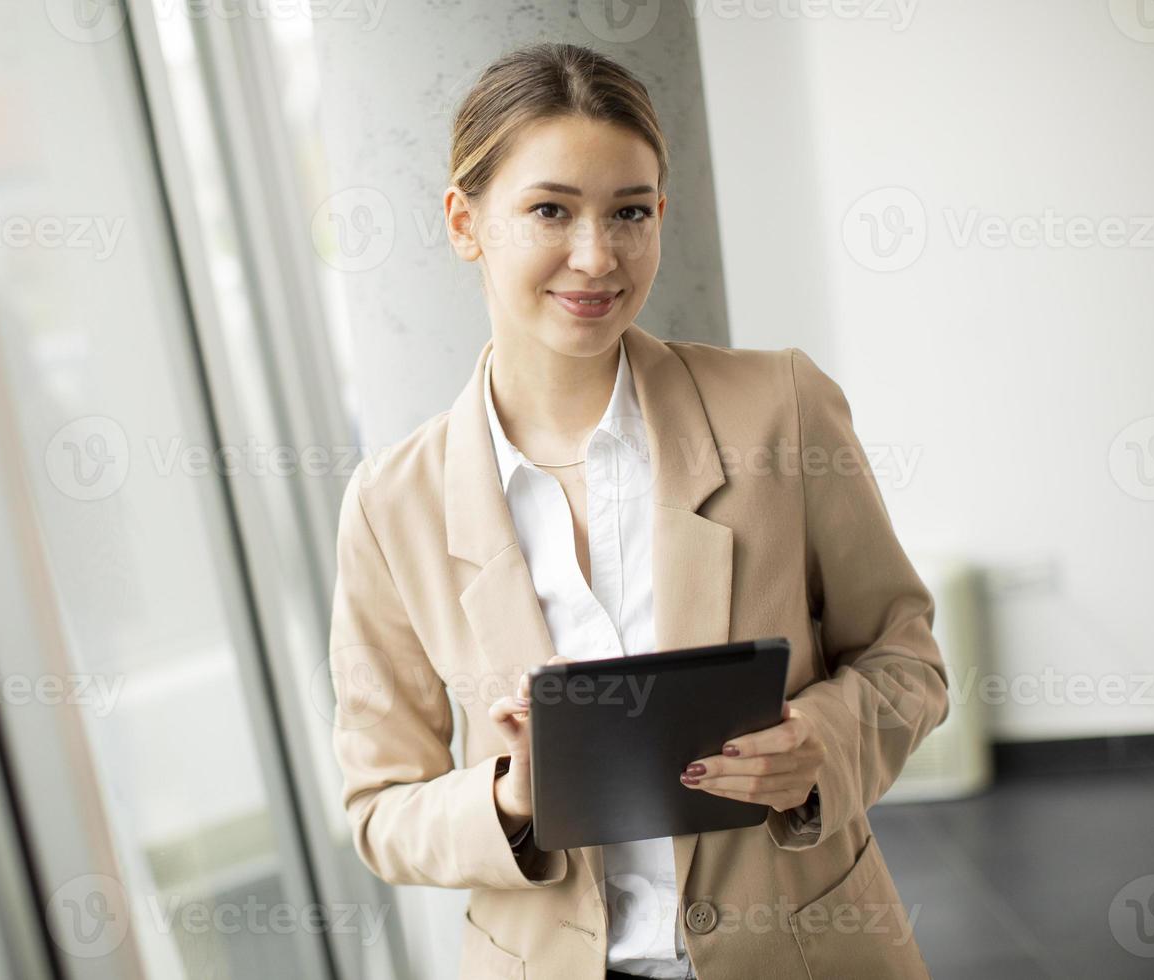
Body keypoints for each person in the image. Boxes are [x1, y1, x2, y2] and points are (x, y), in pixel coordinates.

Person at [326, 42, 949, 980]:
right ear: (464, 222)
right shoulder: (391, 505)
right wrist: (508, 800)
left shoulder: (778, 408)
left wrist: (820, 744)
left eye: (630, 213)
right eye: (549, 210)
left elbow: (907, 659)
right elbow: (379, 808)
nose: (598, 256)